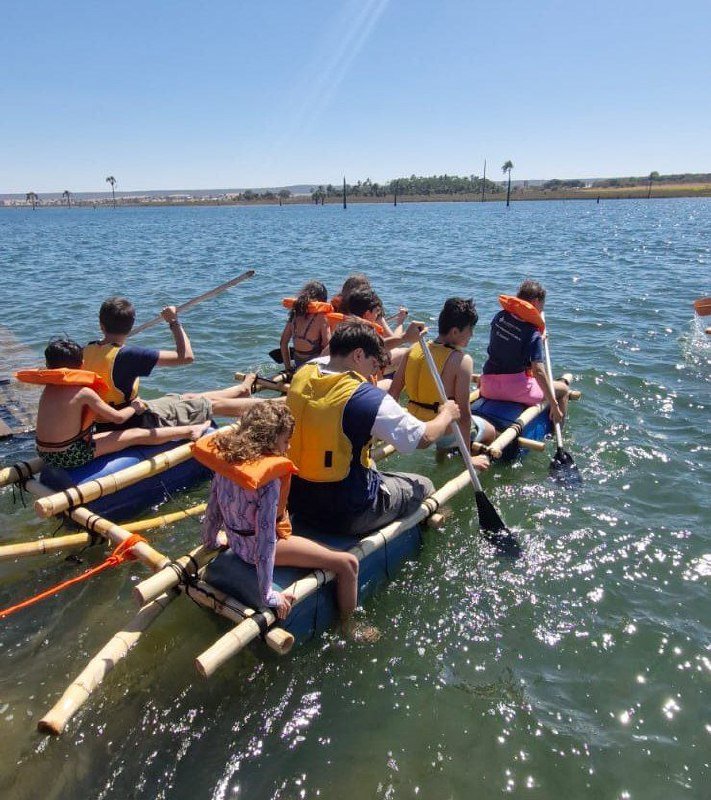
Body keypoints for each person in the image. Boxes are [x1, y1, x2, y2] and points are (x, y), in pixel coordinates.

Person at [286, 321, 488, 537]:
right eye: (374, 365)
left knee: (368, 461)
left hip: (297, 498)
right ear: (358, 355)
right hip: (346, 513)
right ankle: (438, 532)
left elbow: (328, 352)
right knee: (424, 485)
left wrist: (403, 338)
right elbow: (424, 438)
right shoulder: (365, 397)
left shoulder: (305, 371)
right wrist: (446, 414)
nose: (374, 373)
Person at [198, 401, 375, 639]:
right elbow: (265, 540)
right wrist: (268, 594)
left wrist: (211, 541)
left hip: (236, 540)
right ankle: (349, 625)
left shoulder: (227, 459)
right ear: (270, 440)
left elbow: (213, 507)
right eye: (285, 441)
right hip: (255, 550)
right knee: (348, 563)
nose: (288, 447)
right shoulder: (268, 481)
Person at [17, 337, 208, 470]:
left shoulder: (48, 388)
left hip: (43, 453)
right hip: (69, 455)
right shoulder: (83, 393)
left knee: (106, 435)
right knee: (134, 434)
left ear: (49, 367)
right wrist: (134, 407)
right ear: (82, 364)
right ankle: (190, 431)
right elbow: (117, 418)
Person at [83, 296, 258, 430]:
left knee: (188, 397)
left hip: (103, 421)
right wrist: (173, 321)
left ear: (101, 325)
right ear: (131, 326)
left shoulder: (84, 351)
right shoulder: (129, 355)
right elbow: (186, 356)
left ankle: (241, 390)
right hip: (133, 421)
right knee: (207, 405)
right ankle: (272, 404)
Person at [389, 297, 496, 456]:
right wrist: (468, 457)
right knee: (490, 431)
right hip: (444, 432)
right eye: (470, 330)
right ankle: (459, 455)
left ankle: (442, 453)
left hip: (415, 425)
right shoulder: (462, 360)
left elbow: (393, 393)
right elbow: (464, 414)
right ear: (455, 331)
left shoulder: (413, 349)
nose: (472, 335)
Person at [479, 280, 569, 423]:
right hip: (513, 390)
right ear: (535, 302)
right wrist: (553, 404)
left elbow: (508, 345)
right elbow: (538, 371)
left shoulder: (500, 316)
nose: (541, 310)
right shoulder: (533, 333)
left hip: (487, 385)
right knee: (563, 389)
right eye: (542, 306)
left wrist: (537, 341)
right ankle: (557, 424)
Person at [279, 281, 332, 373]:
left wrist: (288, 368)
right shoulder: (321, 317)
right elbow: (328, 347)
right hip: (314, 366)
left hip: (298, 362)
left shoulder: (295, 313)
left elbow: (283, 342)